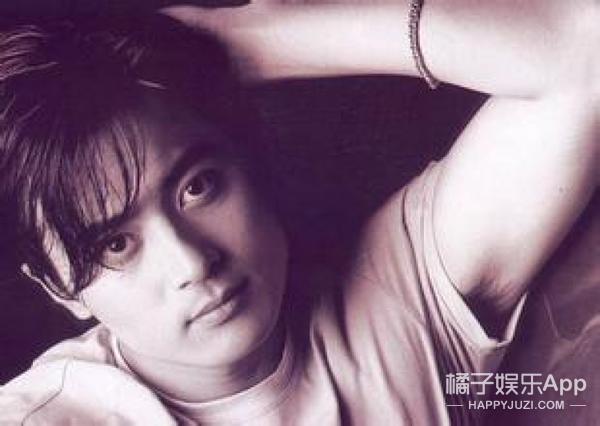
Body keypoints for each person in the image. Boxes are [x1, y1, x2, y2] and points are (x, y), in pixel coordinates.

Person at [0, 1, 597, 424]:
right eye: (115, 245)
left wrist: (262, 40)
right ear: (59, 288)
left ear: (249, 165)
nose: (192, 262)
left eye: (198, 188)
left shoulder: (396, 296)